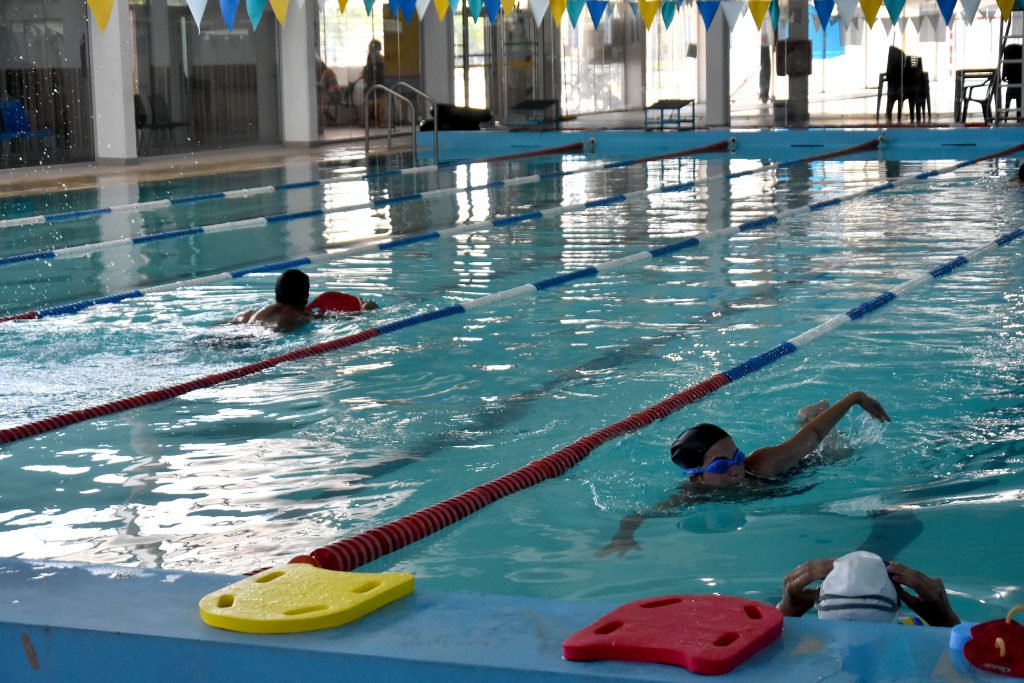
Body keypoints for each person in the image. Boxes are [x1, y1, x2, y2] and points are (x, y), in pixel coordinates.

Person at [596, 391, 890, 557]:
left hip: (798, 470)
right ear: (696, 476)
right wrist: (624, 536)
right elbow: (640, 513)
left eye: (736, 456)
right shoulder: (693, 495)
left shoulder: (761, 463)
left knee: (839, 453)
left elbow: (814, 435)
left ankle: (809, 412)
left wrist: (854, 399)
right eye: (721, 466)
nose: (736, 468)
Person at [779, 550, 960, 627]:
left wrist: (785, 614)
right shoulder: (919, 630)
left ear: (819, 605)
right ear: (897, 603)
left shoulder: (803, 646)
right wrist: (946, 622)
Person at [228, 269, 377, 333]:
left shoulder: (250, 314)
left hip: (232, 334)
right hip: (258, 341)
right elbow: (337, 317)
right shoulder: (302, 316)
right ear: (305, 298)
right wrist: (366, 308)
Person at [362, 39, 385, 127]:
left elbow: (381, 72)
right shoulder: (370, 59)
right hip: (371, 84)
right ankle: (372, 121)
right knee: (372, 104)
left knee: (379, 103)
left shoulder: (379, 59)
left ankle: (379, 121)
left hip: (378, 83)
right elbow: (368, 74)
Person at [317, 59, 341, 125]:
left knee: (322, 106)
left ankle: (332, 120)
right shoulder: (330, 72)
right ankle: (332, 120)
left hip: (333, 96)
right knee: (323, 107)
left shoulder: (325, 73)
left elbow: (323, 85)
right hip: (336, 96)